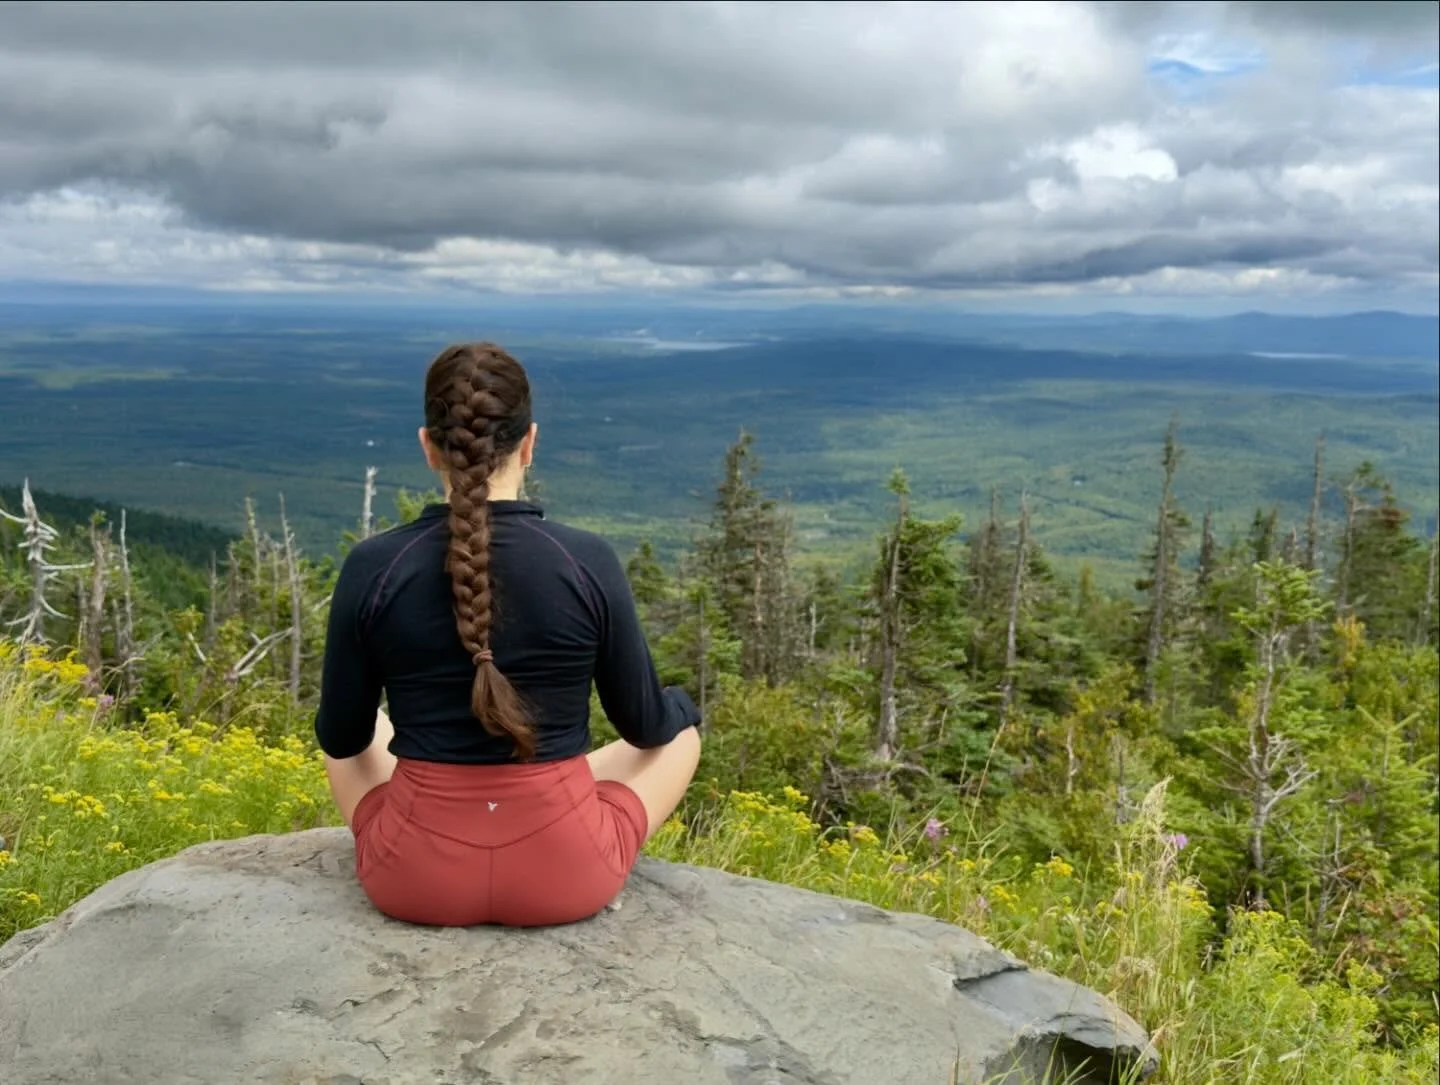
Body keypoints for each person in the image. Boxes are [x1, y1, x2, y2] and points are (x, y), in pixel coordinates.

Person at [314, 342, 702, 927]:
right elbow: (646, 727)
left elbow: (342, 739)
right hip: (568, 876)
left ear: (429, 447)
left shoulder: (375, 565)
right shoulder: (586, 560)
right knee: (682, 737)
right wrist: (682, 706)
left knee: (366, 728)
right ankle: (553, 796)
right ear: (529, 443)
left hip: (415, 880)